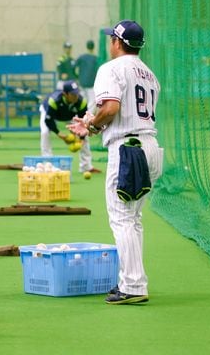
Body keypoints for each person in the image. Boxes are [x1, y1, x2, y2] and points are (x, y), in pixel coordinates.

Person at [67, 20, 164, 304]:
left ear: (117, 42)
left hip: (128, 150)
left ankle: (133, 285)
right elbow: (115, 111)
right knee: (132, 219)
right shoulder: (149, 74)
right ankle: (134, 281)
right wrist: (92, 123)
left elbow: (111, 108)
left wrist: (92, 125)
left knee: (122, 219)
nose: (111, 42)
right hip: (149, 148)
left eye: (112, 38)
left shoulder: (111, 68)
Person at [39, 80, 101, 174]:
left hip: (70, 116)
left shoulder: (81, 102)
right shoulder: (54, 101)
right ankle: (47, 164)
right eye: (73, 94)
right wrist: (60, 134)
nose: (76, 96)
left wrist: (81, 139)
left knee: (85, 134)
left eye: (77, 93)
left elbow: (83, 123)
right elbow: (48, 121)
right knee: (45, 132)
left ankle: (86, 166)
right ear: (65, 94)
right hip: (49, 113)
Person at [75, 39, 99, 112]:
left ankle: (81, 115)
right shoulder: (95, 59)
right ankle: (87, 116)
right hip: (91, 83)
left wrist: (76, 76)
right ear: (93, 47)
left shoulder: (81, 57)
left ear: (87, 47)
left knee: (82, 100)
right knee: (92, 101)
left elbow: (73, 67)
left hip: (82, 82)